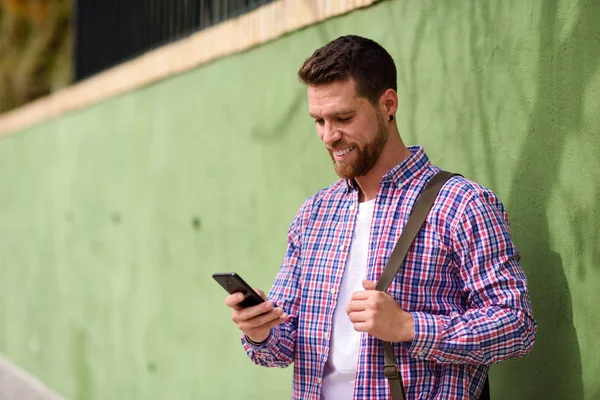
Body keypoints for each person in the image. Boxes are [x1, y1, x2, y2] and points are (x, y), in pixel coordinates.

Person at [224, 35, 537, 400]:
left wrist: (408, 326)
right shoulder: (314, 215)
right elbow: (282, 347)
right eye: (319, 120)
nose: (329, 135)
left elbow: (517, 325)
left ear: (388, 104)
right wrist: (260, 329)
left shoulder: (460, 204)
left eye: (343, 117)